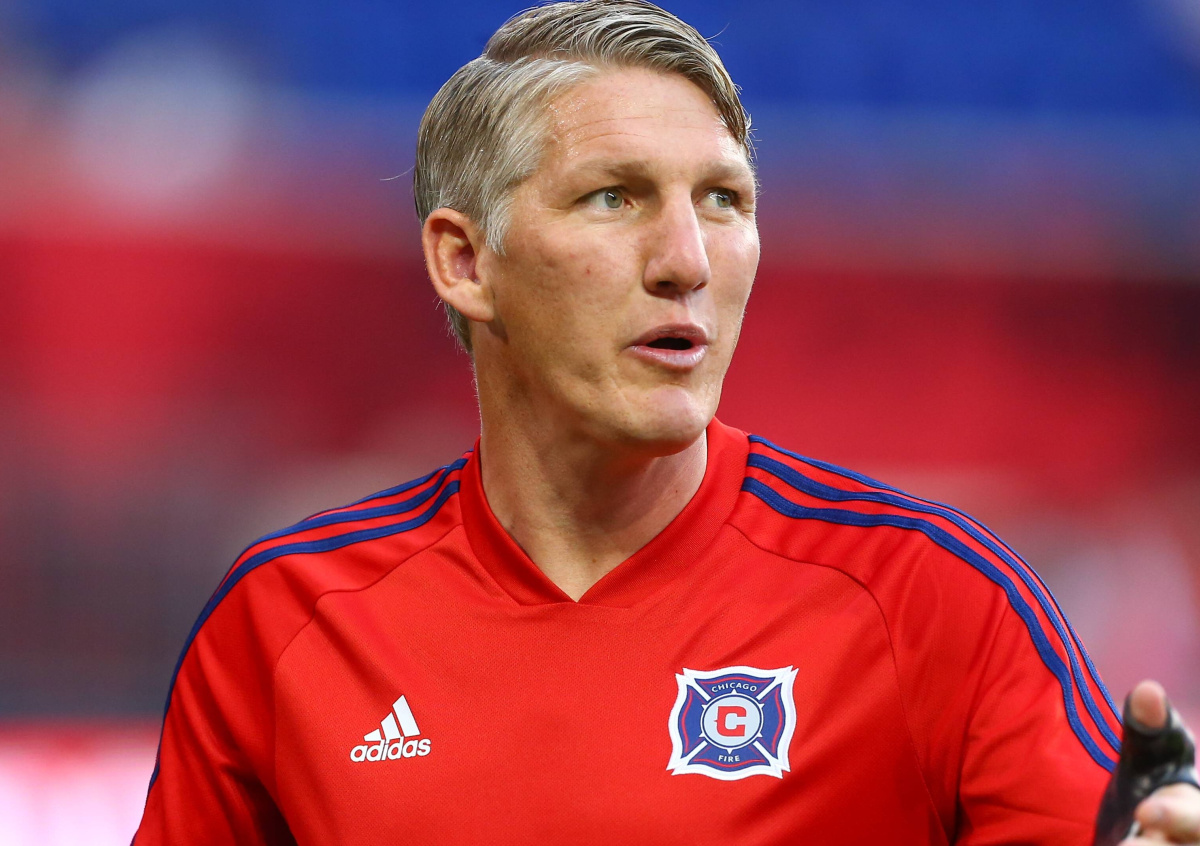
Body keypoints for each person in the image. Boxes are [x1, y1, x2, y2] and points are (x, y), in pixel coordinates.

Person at [134, 1, 1200, 843]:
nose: (686, 260)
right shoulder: (288, 621)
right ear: (464, 261)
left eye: (724, 201)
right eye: (615, 197)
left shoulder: (933, 600)